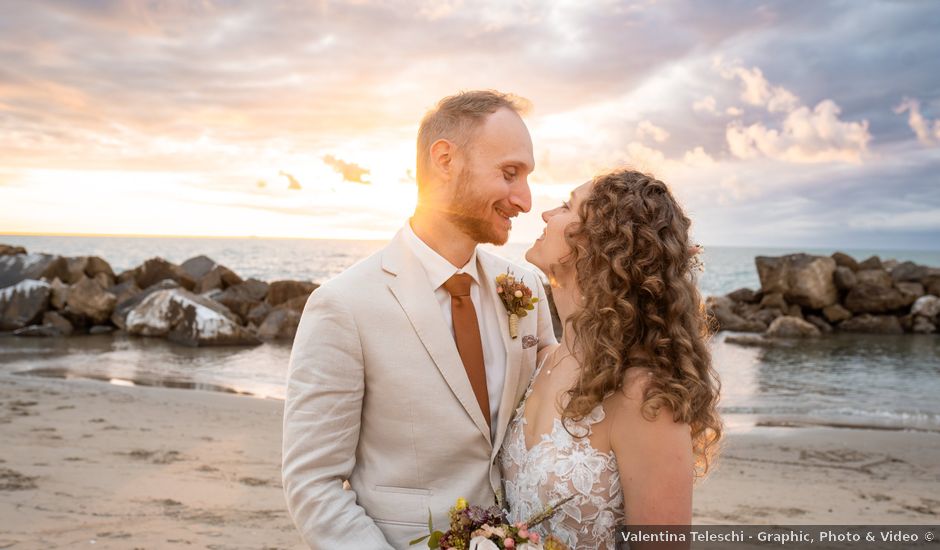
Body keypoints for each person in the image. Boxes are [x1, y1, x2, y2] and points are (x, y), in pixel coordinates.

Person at [281, 90, 557, 549]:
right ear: (445, 160)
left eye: (526, 177)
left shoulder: (525, 286)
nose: (524, 200)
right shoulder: (343, 305)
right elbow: (313, 484)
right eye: (510, 174)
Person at [499, 169, 722, 549]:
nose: (546, 214)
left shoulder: (646, 398)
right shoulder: (541, 361)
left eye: (568, 207)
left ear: (599, 245)